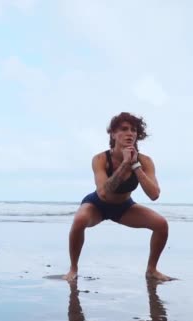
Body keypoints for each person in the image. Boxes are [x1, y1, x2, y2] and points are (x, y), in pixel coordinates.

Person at [63, 112, 172, 282]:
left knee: (161, 224)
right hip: (97, 205)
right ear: (113, 134)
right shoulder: (100, 159)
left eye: (133, 130)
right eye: (124, 129)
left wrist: (135, 165)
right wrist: (124, 165)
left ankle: (152, 270)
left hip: (124, 207)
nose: (130, 133)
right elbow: (104, 193)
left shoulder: (145, 161)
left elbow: (154, 194)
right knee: (79, 220)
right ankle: (73, 269)